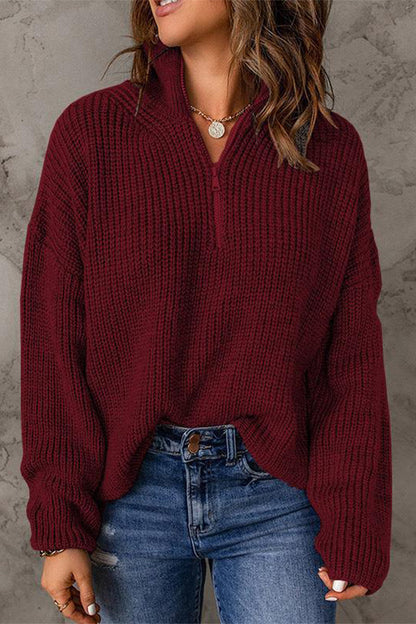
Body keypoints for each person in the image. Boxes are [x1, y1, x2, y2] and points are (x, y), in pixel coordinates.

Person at [19, 0, 392, 622]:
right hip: (129, 492)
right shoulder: (91, 133)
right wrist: (60, 525)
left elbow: (348, 351)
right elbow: (52, 340)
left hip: (277, 494)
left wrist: (354, 516)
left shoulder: (329, 146)